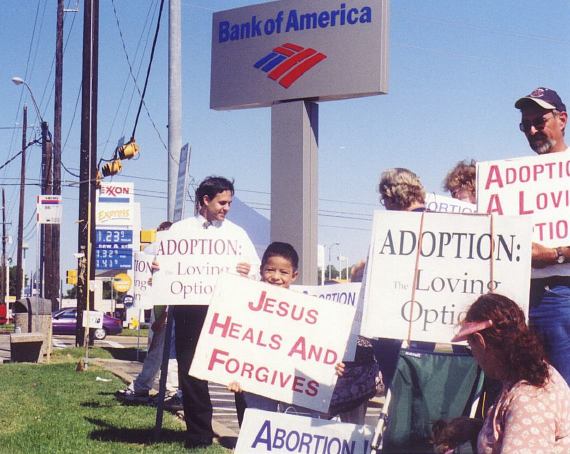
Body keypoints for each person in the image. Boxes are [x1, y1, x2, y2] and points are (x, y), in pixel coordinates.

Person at [172, 176, 259, 449]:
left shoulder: (237, 234)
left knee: (239, 371)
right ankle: (199, 435)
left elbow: (256, 270)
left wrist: (248, 271)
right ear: (205, 200)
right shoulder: (180, 231)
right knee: (192, 372)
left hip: (228, 310)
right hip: (190, 311)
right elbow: (162, 263)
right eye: (222, 202)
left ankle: (250, 434)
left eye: (229, 203)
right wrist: (157, 268)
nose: (227, 208)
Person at [448, 293, 570, 453]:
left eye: (471, 347)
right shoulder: (529, 376)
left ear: (480, 341)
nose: (475, 358)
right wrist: (476, 429)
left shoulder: (529, 400)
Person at [515, 87, 570, 384]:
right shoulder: (513, 181)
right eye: (526, 125)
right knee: (529, 391)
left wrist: (554, 255)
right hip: (521, 298)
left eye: (540, 121)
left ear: (562, 119)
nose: (533, 130)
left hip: (563, 294)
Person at [116, 221, 182, 409]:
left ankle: (170, 391)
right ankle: (144, 387)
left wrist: (163, 316)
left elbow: (173, 288)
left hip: (169, 309)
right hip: (160, 307)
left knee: (169, 353)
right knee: (157, 351)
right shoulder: (160, 257)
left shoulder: (174, 259)